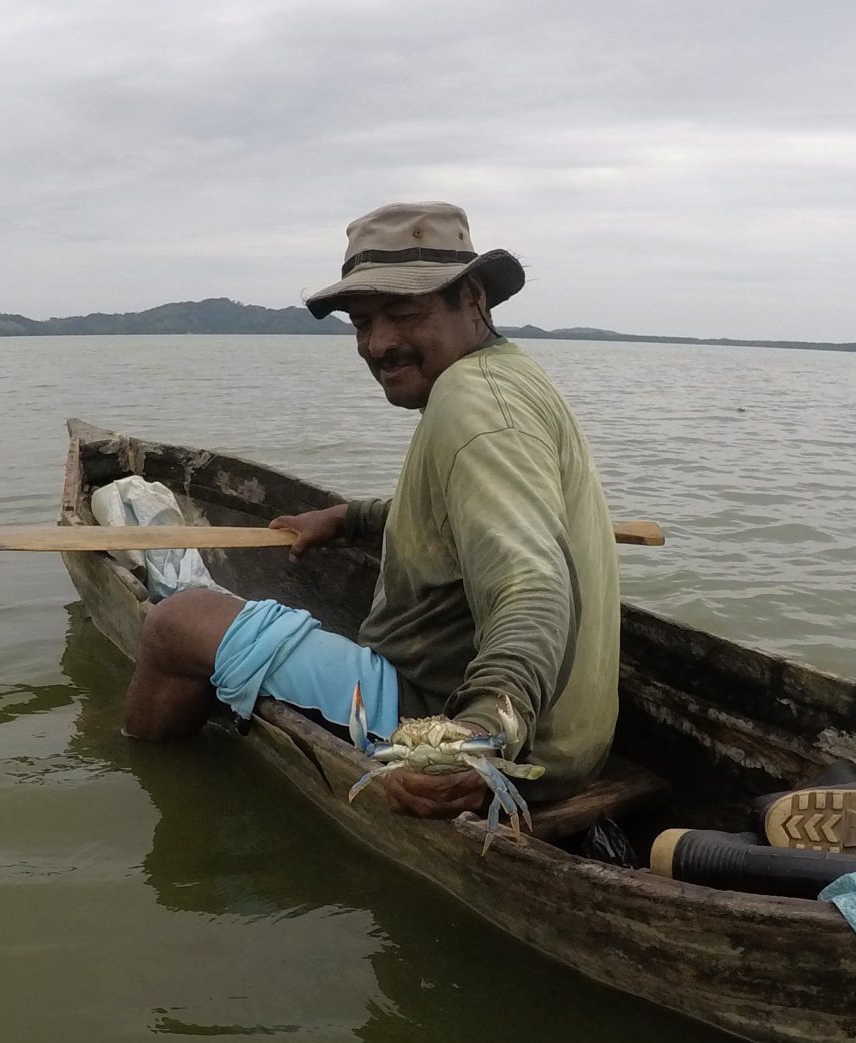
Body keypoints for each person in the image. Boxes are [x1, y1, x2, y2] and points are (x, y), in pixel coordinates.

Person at [119, 201, 620, 820]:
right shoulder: (509, 377)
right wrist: (349, 519)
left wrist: (480, 732)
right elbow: (452, 513)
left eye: (404, 313)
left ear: (473, 300)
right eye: (361, 323)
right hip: (574, 738)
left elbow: (532, 588)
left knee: (175, 623)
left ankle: (146, 783)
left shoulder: (473, 408)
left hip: (486, 734)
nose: (379, 344)